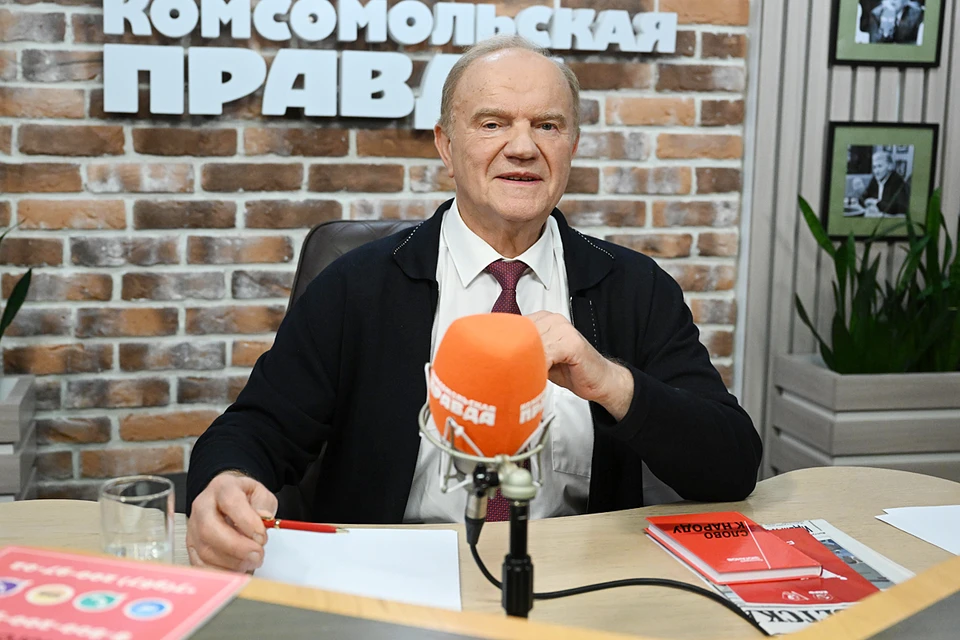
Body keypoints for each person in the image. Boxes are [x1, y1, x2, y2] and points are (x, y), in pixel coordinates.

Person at [185, 36, 763, 573]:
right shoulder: (355, 286)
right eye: (493, 123)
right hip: (393, 575)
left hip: (575, 579)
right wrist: (227, 481)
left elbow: (732, 462)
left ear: (572, 146)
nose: (523, 147)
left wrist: (611, 383)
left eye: (547, 125)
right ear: (446, 144)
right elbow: (256, 428)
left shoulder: (635, 288)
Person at [859, 150, 910, 217]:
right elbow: (864, 197)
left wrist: (875, 203)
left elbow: (897, 208)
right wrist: (864, 199)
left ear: (890, 166)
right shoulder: (875, 178)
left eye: (879, 166)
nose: (876, 171)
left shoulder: (897, 181)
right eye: (874, 167)